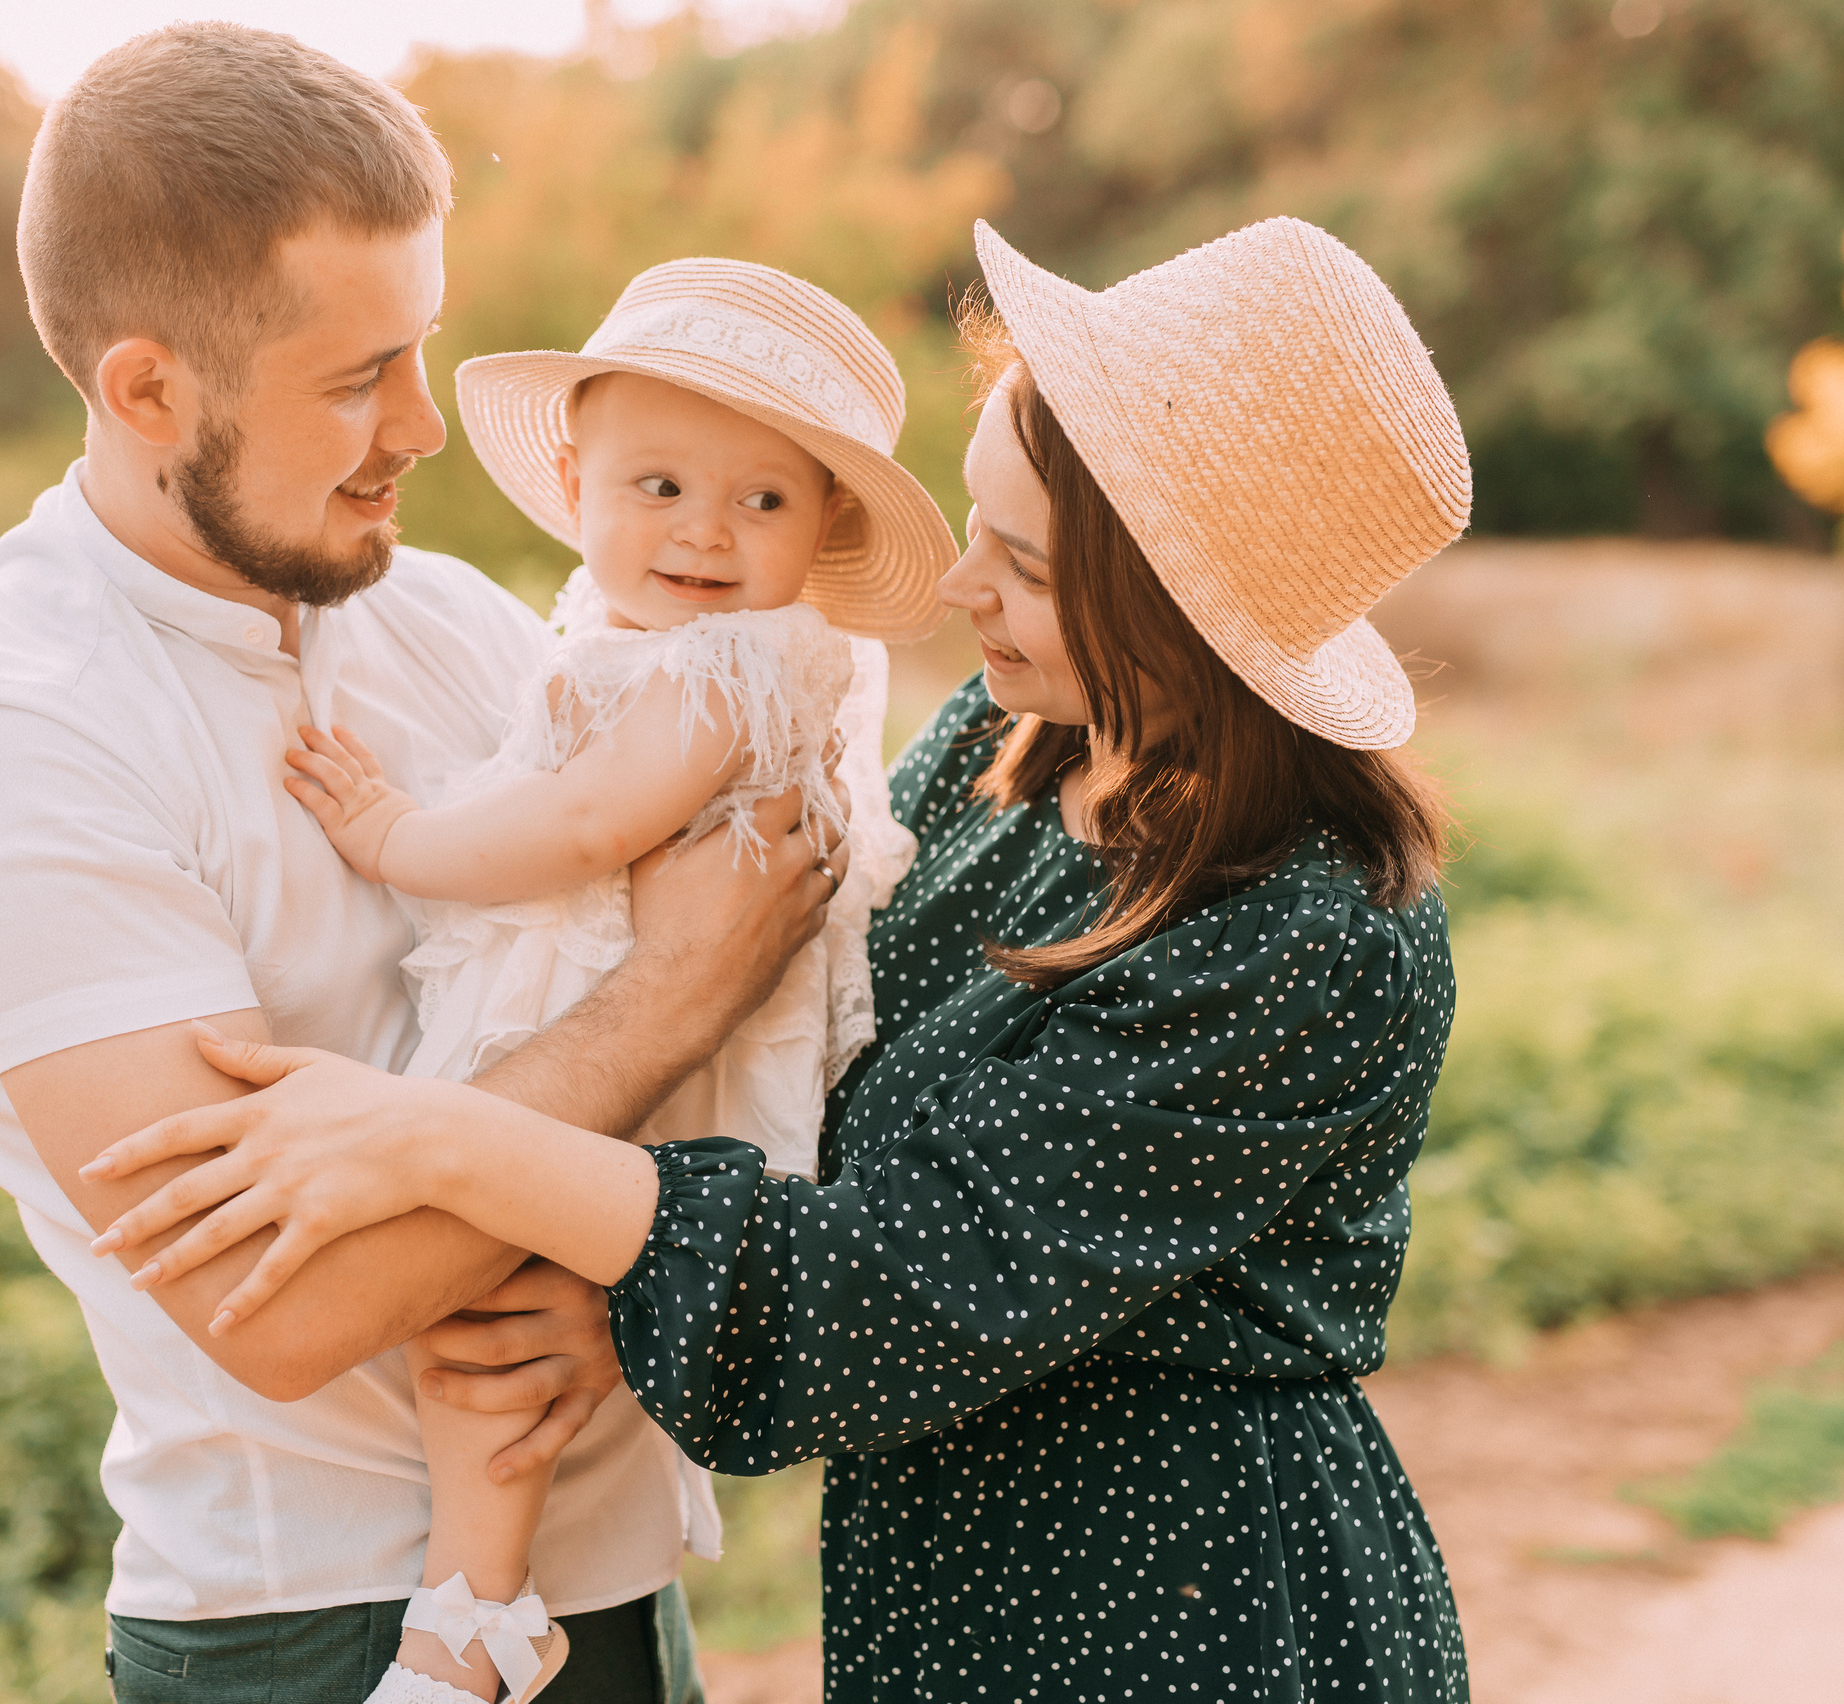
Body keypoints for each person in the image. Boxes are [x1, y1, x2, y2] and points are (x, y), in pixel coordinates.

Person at [80, 214, 1477, 1701]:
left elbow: (902, 1288)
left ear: (1177, 617)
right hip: (949, 1569)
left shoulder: (1303, 939)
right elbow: (840, 1078)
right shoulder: (1018, 745)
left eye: (1020, 565)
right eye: (977, 524)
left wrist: (440, 1138)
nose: (957, 589)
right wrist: (628, 1278)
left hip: (1174, 1605)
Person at [0, 26, 850, 1702]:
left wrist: (632, 1280)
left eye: (424, 350)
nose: (423, 427)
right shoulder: (20, 739)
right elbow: (286, 1305)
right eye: (355, 379)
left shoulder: (449, 618)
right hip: (318, 1631)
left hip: (616, 1592)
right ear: (149, 390)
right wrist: (676, 992)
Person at [257, 259, 951, 1701]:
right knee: (488, 1300)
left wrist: (392, 835)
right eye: (660, 486)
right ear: (576, 479)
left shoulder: (732, 668)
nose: (704, 531)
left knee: (488, 1288)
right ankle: (483, 1603)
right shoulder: (625, 636)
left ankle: (471, 1611)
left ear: (823, 526)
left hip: (622, 1019)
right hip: (602, 995)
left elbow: (586, 826)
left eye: (763, 500)